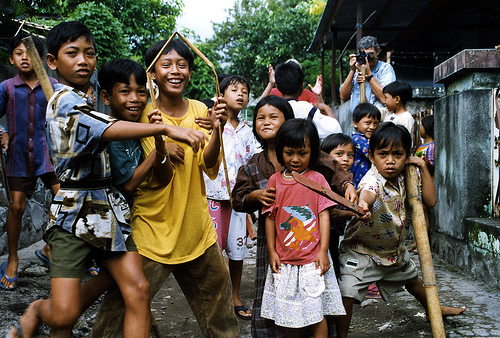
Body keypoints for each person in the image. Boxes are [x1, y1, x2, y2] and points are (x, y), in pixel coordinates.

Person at [7, 21, 208, 338]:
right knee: (63, 316)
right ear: (52, 62)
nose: (83, 60)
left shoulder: (84, 98)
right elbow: (106, 128)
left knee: (138, 290)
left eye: (89, 53)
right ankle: (36, 311)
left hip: (107, 208)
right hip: (73, 212)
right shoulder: (63, 102)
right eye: (72, 53)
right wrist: (165, 129)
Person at [91, 38, 239, 337]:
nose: (175, 71)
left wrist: (218, 131)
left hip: (197, 232)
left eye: (182, 65)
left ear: (191, 72)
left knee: (222, 321)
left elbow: (209, 168)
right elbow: (161, 177)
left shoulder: (200, 109)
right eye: (166, 64)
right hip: (152, 234)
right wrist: (162, 139)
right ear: (152, 74)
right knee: (116, 318)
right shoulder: (142, 116)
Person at [232, 95, 356, 337]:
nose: (266, 122)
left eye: (273, 117)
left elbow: (338, 175)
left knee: (314, 303)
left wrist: (348, 186)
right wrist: (255, 196)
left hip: (313, 246)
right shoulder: (253, 165)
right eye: (260, 117)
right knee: (282, 306)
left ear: (288, 121)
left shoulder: (315, 158)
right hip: (277, 249)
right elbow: (238, 199)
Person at [336, 122, 466, 338]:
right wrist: (363, 204)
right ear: (371, 156)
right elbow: (367, 193)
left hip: (392, 249)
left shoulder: (408, 176)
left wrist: (423, 167)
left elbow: (431, 202)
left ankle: (433, 310)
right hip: (362, 250)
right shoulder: (373, 180)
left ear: (407, 156)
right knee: (347, 294)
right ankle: (340, 335)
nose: (390, 161)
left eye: (397, 154)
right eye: (383, 154)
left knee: (414, 281)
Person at [260, 118, 346, 337]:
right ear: (281, 151)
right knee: (289, 318)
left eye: (302, 153)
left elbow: (323, 215)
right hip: (285, 262)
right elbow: (270, 218)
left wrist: (323, 250)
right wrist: (272, 251)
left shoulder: (317, 180)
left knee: (317, 315)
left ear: (313, 152)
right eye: (289, 153)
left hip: (312, 262)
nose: (295, 159)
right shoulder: (275, 181)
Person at [0, 32, 59, 291]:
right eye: (19, 53)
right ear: (12, 59)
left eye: (30, 53)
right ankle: (13, 259)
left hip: (49, 154)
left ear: (41, 59)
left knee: (65, 200)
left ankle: (48, 247)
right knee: (16, 207)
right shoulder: (7, 88)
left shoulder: (53, 86)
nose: (25, 58)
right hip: (18, 155)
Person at [203, 74, 258, 320]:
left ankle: (234, 296)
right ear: (221, 94)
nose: (240, 94)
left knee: (237, 253)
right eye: (234, 89)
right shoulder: (209, 120)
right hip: (213, 197)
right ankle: (215, 298)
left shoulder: (248, 131)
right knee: (213, 253)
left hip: (238, 200)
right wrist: (214, 119)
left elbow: (252, 162)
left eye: (244, 91)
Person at [100, 58, 173, 201]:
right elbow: (127, 186)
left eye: (141, 92)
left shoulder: (141, 120)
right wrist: (159, 151)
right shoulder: (113, 136)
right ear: (106, 97)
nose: (135, 98)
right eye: (125, 91)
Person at [274, 60, 342, 139]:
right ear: (302, 86)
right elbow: (335, 130)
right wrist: (326, 108)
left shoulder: (274, 109)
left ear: (277, 87)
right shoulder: (307, 109)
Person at [320, 133, 356, 277]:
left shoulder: (350, 180)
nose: (345, 159)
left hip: (336, 228)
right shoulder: (323, 178)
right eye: (339, 154)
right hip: (323, 227)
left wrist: (342, 214)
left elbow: (355, 210)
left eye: (350, 155)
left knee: (334, 254)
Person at [339, 36, 396, 115]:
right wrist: (352, 70)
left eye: (371, 54)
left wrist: (369, 74)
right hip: (358, 120)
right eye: (364, 55)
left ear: (378, 51)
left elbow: (384, 98)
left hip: (376, 120)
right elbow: (343, 96)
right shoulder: (357, 68)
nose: (368, 58)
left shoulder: (385, 69)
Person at [408, 115, 434, 254]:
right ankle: (417, 241)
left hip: (425, 182)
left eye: (422, 126)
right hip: (416, 182)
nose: (420, 129)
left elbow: (431, 166)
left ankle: (423, 242)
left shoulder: (432, 146)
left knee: (423, 212)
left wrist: (424, 163)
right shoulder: (422, 146)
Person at [351, 103, 381, 188]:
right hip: (359, 182)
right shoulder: (358, 139)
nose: (372, 127)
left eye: (376, 123)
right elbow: (375, 153)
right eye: (368, 123)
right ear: (355, 123)